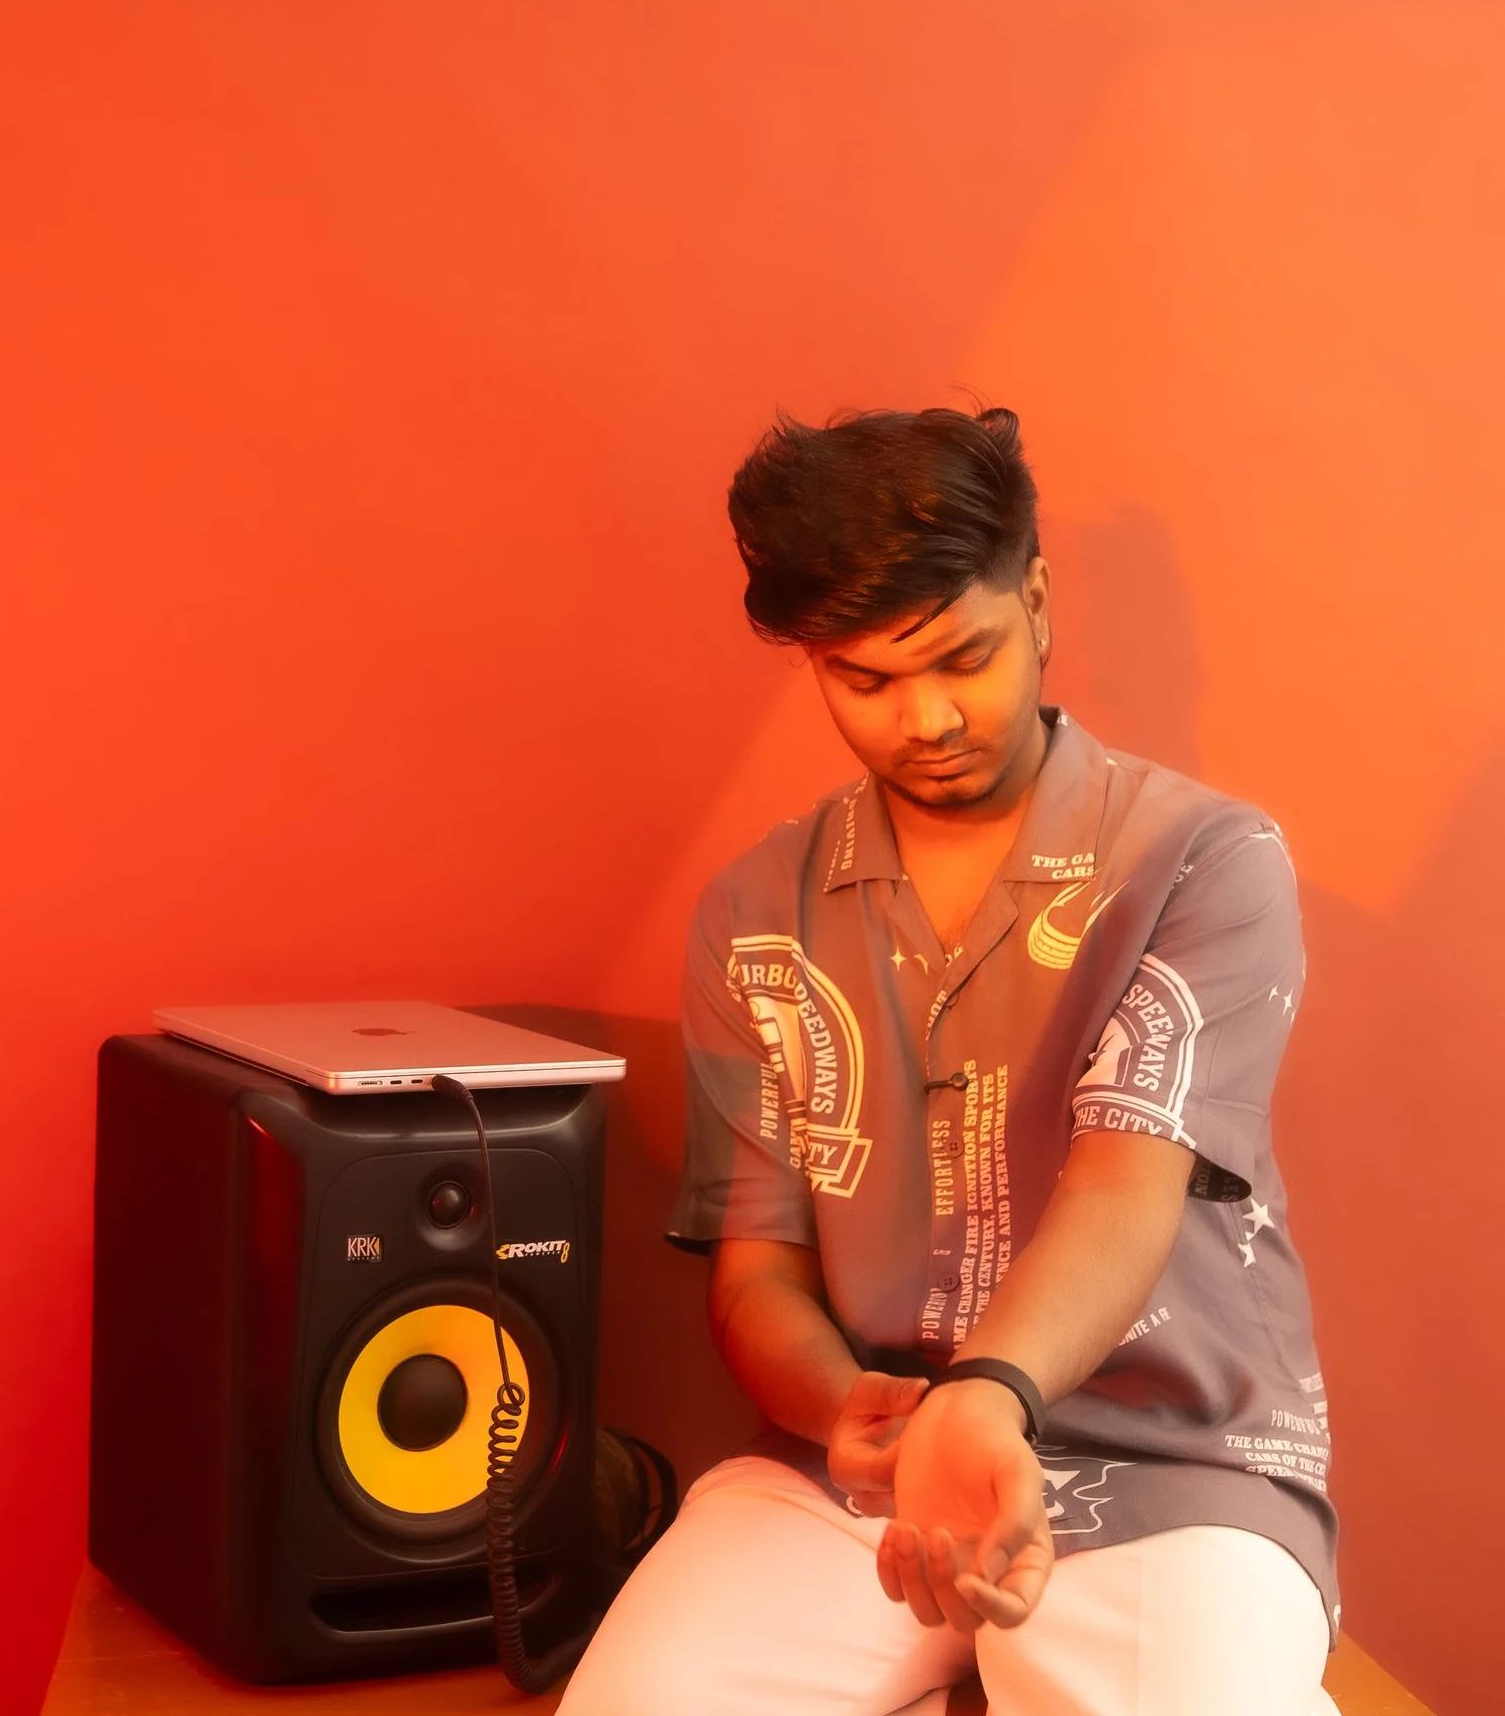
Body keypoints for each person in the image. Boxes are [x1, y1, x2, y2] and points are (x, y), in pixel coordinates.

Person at [559, 408, 1339, 1716]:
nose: (925, 719)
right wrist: (848, 1405)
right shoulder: (756, 911)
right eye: (862, 681)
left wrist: (986, 1397)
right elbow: (758, 1272)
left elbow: (1124, 1185)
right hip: (851, 1480)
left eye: (961, 658)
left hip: (1168, 1477)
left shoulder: (1204, 863)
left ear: (1033, 599)